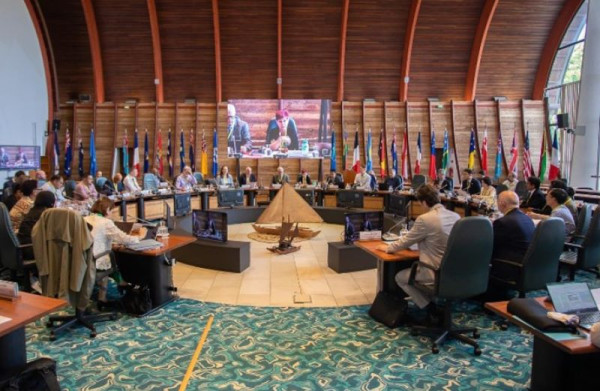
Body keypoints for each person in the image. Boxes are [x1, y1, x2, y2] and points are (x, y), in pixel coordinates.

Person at [377, 184, 460, 318]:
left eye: (420, 204)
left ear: (424, 202)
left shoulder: (425, 219)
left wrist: (387, 248)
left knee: (400, 278)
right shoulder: (455, 216)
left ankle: (430, 308)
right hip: (455, 272)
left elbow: (405, 241)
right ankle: (434, 303)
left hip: (434, 273)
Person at [84, 198, 141, 305]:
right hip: (96, 260)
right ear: (106, 210)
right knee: (110, 260)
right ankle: (120, 284)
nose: (112, 213)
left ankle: (103, 297)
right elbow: (124, 239)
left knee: (108, 258)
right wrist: (139, 239)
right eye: (111, 211)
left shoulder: (84, 219)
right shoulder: (106, 222)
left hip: (82, 259)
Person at [489, 191, 536, 281]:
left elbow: (492, 246)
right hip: (528, 263)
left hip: (511, 266)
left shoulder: (503, 222)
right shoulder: (527, 218)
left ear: (502, 204)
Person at [17, 191, 56, 259]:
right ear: (51, 203)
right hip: (31, 249)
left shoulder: (33, 210)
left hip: (23, 247)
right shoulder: (44, 214)